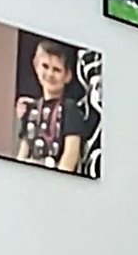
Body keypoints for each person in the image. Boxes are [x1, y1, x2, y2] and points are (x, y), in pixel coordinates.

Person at [14, 34, 94, 174]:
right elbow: (23, 151)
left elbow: (71, 153)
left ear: (67, 75)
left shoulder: (70, 109)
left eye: (56, 70)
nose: (50, 74)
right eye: (45, 66)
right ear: (35, 66)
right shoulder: (30, 109)